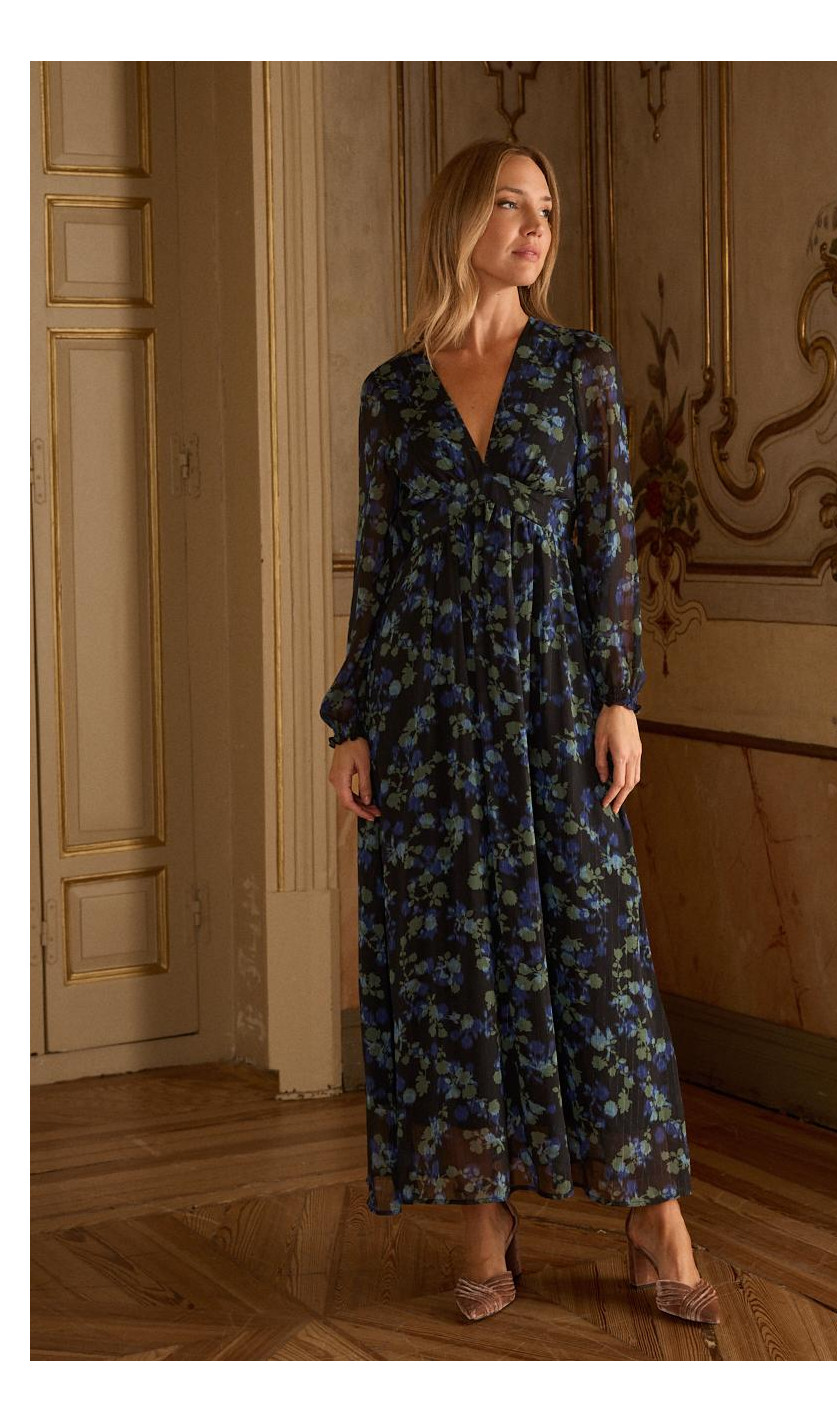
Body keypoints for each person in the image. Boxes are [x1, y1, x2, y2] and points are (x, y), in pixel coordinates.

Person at [320, 138, 719, 1327]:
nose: (535, 226)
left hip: (552, 698)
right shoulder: (392, 394)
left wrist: (618, 696)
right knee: (452, 954)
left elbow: (606, 540)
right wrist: (352, 720)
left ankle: (656, 1220)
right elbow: (379, 565)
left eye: (544, 207)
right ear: (460, 219)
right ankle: (481, 1217)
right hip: (428, 709)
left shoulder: (575, 368)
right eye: (508, 204)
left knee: (598, 953)